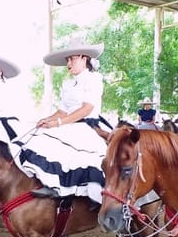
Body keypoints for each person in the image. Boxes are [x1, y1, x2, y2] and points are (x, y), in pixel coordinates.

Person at [14, 36, 108, 204]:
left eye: (71, 59)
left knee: (71, 150)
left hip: (87, 125)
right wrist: (46, 119)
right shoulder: (69, 84)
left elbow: (86, 109)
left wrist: (57, 123)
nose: (69, 64)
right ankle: (48, 183)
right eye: (67, 60)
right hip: (69, 124)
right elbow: (62, 111)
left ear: (83, 58)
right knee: (37, 137)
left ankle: (77, 192)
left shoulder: (94, 79)